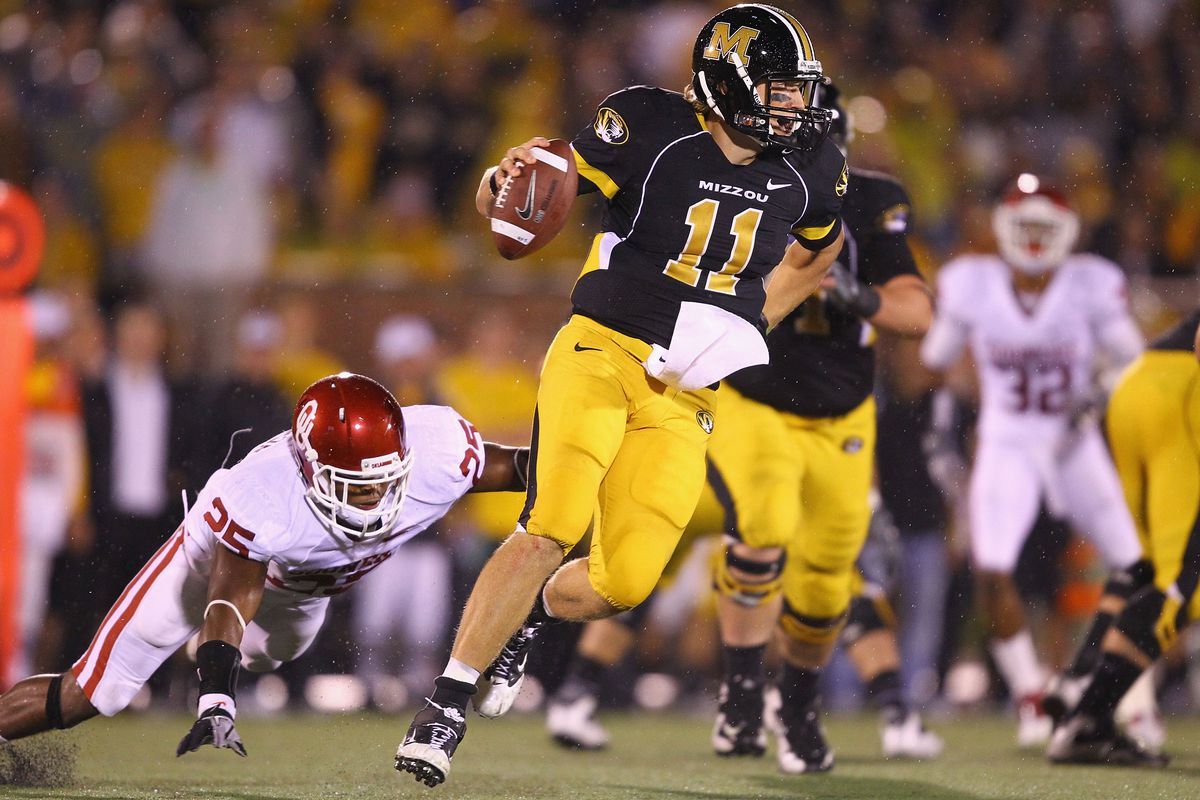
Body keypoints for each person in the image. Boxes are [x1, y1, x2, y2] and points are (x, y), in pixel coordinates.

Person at [396, 4, 848, 787]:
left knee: (622, 584)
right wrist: (497, 187)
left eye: (796, 91)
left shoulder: (810, 167)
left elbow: (823, 248)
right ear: (729, 84)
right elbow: (523, 199)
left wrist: (752, 320)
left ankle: (519, 622)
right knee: (552, 525)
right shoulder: (648, 124)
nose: (794, 107)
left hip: (687, 390)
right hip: (601, 351)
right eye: (777, 89)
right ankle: (444, 706)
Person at [0, 373, 528, 759]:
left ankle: (203, 651)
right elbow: (229, 597)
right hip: (209, 570)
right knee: (99, 690)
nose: (374, 496)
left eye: (386, 479)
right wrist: (217, 700)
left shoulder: (440, 450)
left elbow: (520, 466)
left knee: (276, 653)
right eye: (358, 484)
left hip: (304, 590)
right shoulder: (264, 495)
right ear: (309, 468)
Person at [701, 81, 934, 775]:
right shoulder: (731, 185)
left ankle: (796, 708)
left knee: (829, 584)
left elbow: (916, 313)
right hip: (754, 396)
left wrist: (855, 295)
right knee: (765, 525)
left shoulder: (870, 198)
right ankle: (742, 691)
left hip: (842, 413)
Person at [920, 174, 1148, 747]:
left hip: (1075, 442)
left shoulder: (1089, 284)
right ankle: (1030, 694)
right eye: (1026, 225)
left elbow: (1135, 360)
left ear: (1067, 231)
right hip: (1007, 441)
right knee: (991, 567)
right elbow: (936, 355)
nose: (1035, 239)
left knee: (1136, 570)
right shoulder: (971, 282)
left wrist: (1096, 393)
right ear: (1002, 227)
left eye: (1046, 226)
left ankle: (1112, 692)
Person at [1047, 309, 1200, 767]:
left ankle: (1084, 675)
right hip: (1179, 392)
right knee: (1188, 580)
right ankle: (1088, 721)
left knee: (1145, 565)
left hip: (1143, 387)